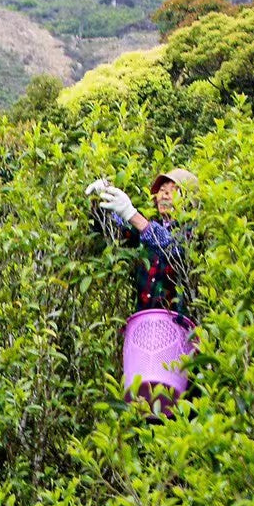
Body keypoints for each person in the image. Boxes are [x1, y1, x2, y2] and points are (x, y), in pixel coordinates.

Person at [87, 168, 199, 413]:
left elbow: (171, 247)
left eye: (174, 191)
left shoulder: (193, 232)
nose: (165, 195)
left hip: (179, 337)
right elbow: (115, 231)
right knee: (144, 403)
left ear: (190, 200)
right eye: (162, 190)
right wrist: (101, 202)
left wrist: (132, 214)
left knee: (180, 406)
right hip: (146, 332)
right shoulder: (147, 228)